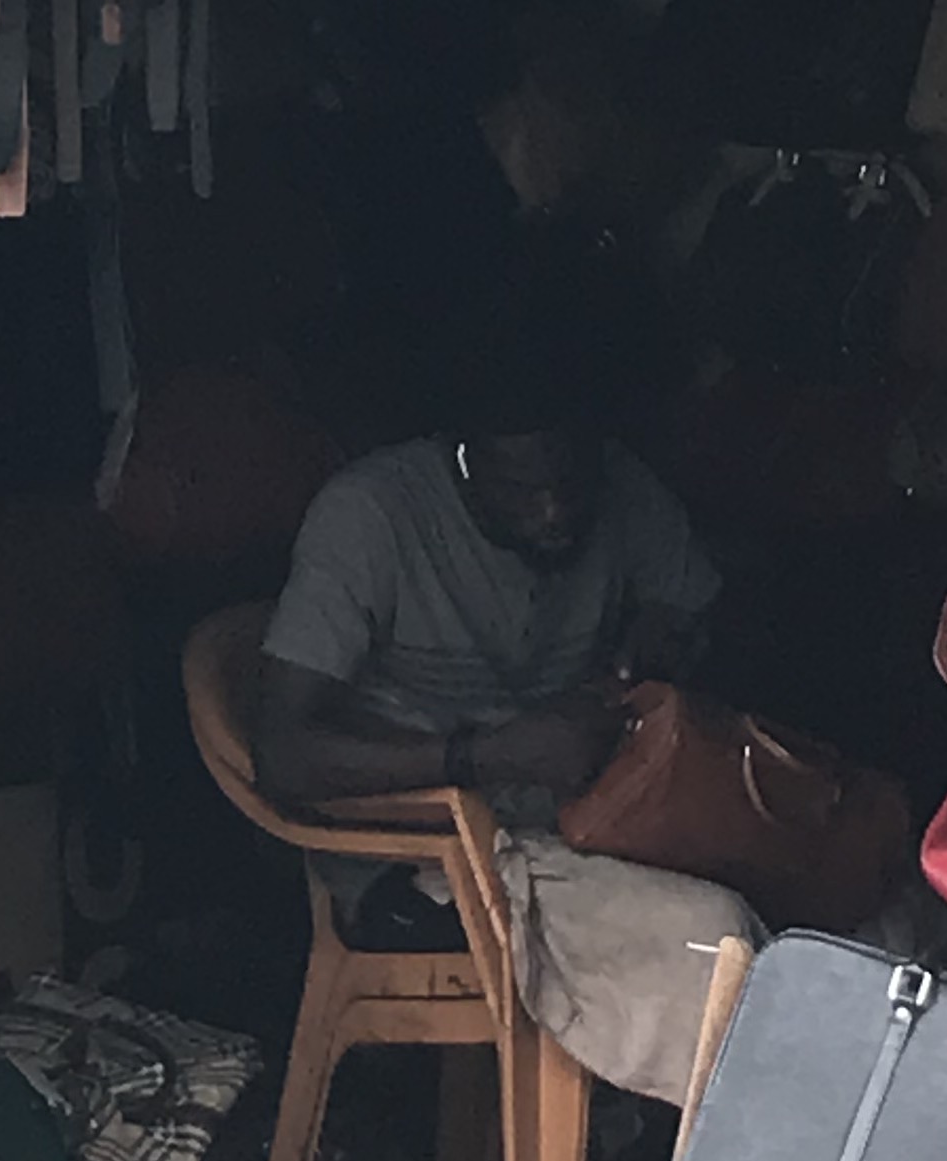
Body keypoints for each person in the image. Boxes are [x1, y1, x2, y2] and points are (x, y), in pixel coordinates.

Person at [256, 361, 760, 1111]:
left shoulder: (621, 487)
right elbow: (283, 754)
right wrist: (484, 757)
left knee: (801, 889)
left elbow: (694, 613)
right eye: (521, 490)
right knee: (711, 939)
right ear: (462, 456)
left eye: (570, 485)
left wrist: (649, 654)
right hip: (427, 861)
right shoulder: (371, 515)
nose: (554, 512)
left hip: (575, 829)